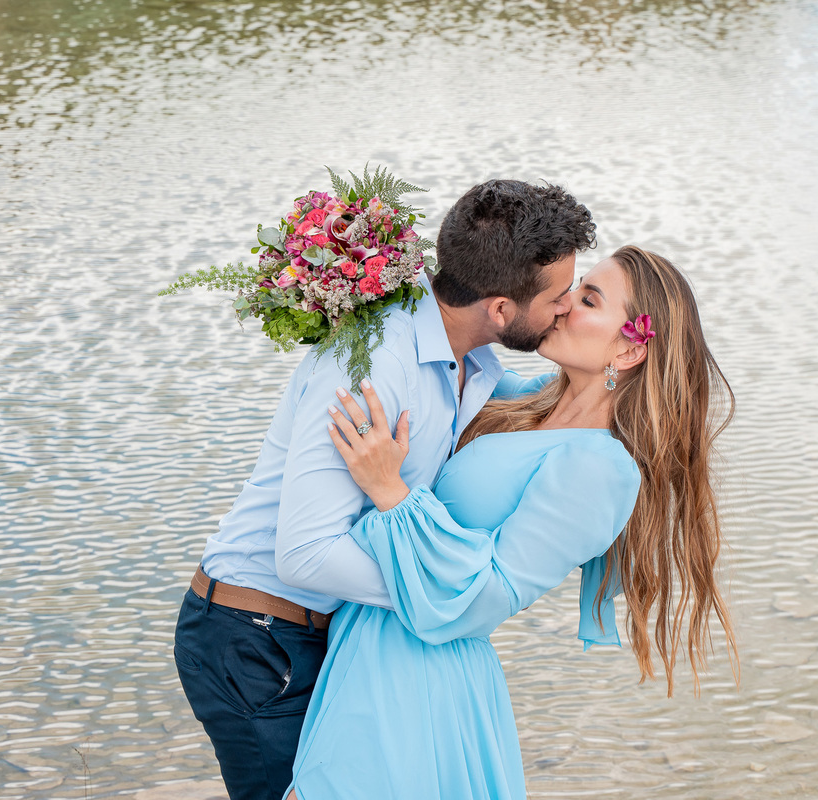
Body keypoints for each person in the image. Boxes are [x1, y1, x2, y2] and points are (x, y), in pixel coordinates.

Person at [173, 179, 597, 800]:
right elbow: (305, 553)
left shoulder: (474, 367)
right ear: (502, 309)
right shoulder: (372, 368)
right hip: (257, 637)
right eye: (560, 296)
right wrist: (442, 595)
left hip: (323, 633)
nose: (566, 308)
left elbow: (555, 425)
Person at [286, 245, 740, 800]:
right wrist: (352, 267)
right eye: (570, 292)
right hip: (370, 640)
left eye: (588, 299)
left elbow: (492, 596)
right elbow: (445, 338)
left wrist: (391, 492)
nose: (562, 305)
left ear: (627, 349)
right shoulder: (523, 399)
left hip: (422, 670)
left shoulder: (600, 467)